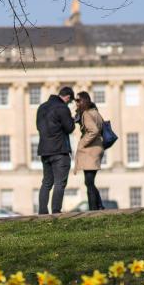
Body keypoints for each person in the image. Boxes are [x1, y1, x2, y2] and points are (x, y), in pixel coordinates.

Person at [36, 86, 75, 214]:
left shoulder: (41, 107)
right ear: (67, 97)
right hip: (59, 151)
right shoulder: (62, 108)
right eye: (70, 101)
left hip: (44, 151)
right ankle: (56, 211)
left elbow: (39, 127)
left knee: (46, 183)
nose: (69, 103)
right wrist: (73, 120)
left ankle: (42, 212)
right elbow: (69, 128)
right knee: (59, 183)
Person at [73, 91, 105, 210]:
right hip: (97, 148)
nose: (76, 103)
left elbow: (93, 131)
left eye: (78, 100)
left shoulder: (86, 114)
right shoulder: (95, 112)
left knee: (89, 182)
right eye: (75, 100)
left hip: (90, 150)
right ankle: (99, 205)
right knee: (89, 182)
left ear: (84, 101)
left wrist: (82, 143)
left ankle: (93, 209)